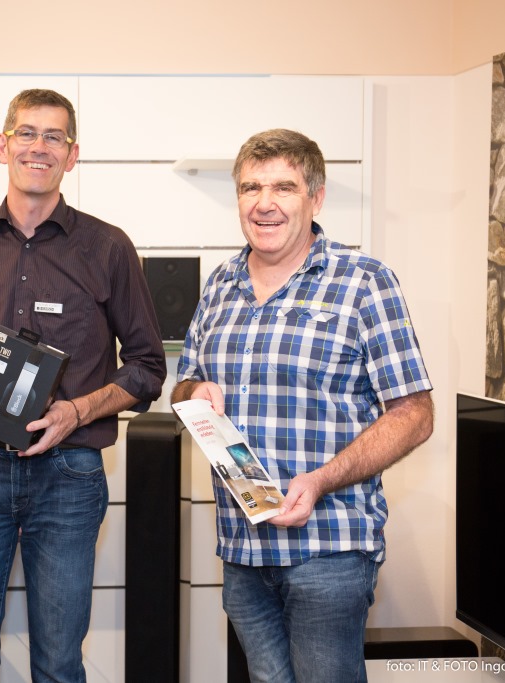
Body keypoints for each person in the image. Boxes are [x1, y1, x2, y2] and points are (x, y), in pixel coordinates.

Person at [0, 89, 166, 683]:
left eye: (54, 137)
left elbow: (147, 367)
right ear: (2, 145)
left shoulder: (108, 247)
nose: (39, 147)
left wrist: (76, 411)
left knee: (57, 662)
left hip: (68, 474)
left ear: (72, 155)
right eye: (27, 133)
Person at [171, 129, 434, 683]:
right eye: (251, 188)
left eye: (283, 188)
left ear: (316, 198)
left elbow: (414, 414)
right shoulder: (219, 286)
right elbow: (183, 383)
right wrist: (192, 392)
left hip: (329, 548)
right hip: (242, 548)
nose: (264, 203)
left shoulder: (364, 283)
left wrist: (320, 480)